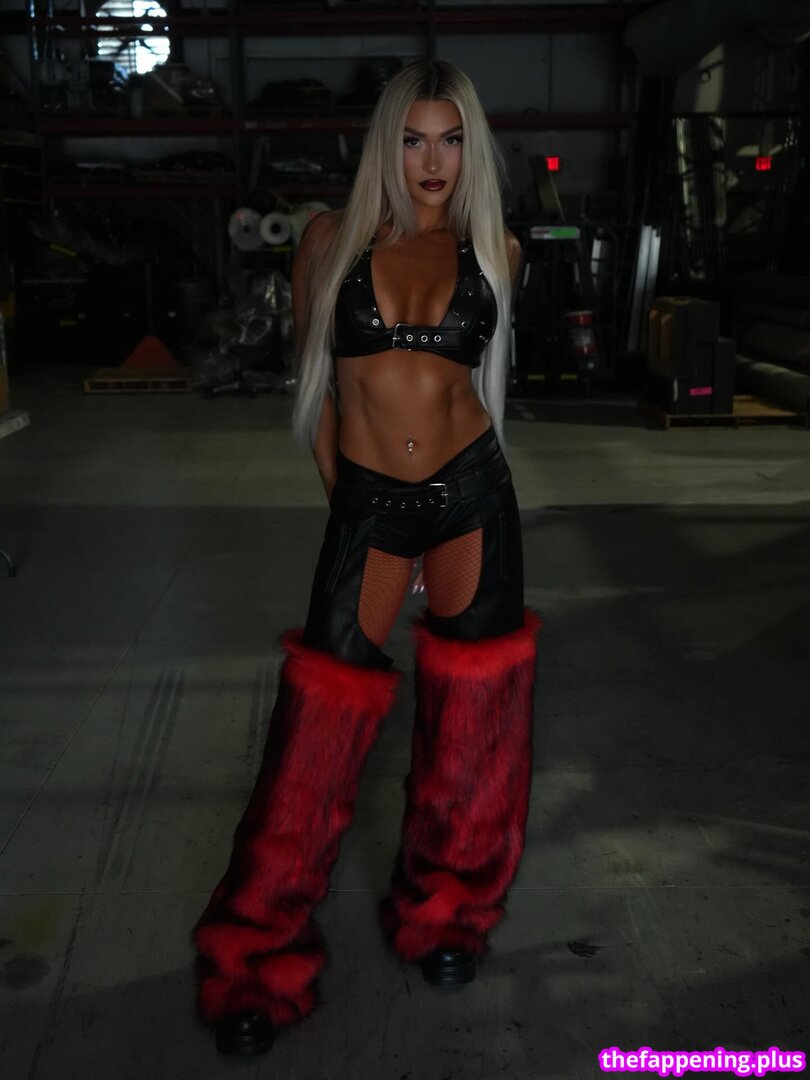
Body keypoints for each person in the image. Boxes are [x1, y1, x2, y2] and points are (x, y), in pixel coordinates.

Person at [192, 58, 541, 1058]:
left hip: (472, 498)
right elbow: (320, 401)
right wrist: (352, 514)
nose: (432, 161)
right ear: (386, 144)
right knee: (314, 735)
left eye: (452, 140)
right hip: (369, 507)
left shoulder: (497, 249)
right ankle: (256, 950)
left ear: (470, 150)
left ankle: (449, 912)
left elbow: (475, 389)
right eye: (414, 139)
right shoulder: (326, 242)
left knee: (474, 727)